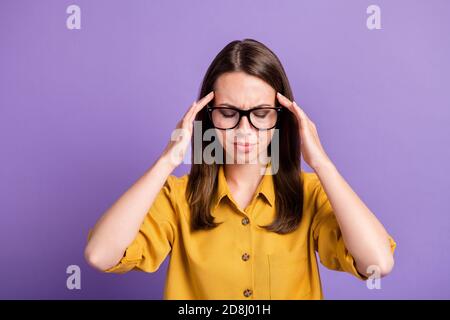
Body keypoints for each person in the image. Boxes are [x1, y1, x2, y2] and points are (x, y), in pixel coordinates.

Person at [84, 39, 396, 299]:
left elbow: (377, 262)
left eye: (260, 112)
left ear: (282, 118)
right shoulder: (179, 197)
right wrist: (167, 160)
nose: (244, 130)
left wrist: (321, 163)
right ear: (208, 116)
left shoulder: (309, 193)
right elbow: (100, 255)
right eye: (228, 112)